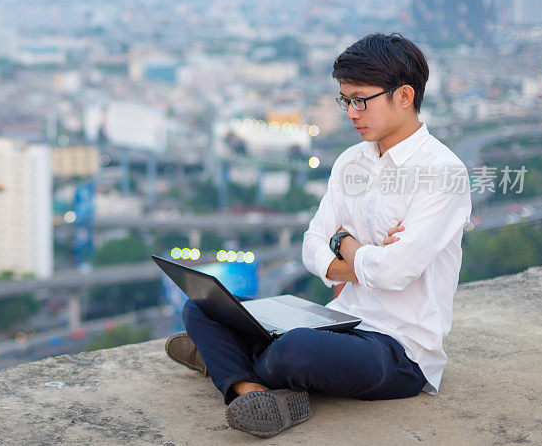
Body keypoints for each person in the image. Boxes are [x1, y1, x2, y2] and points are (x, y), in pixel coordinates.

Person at [165, 33, 472, 438]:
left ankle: (227, 361)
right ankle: (249, 386)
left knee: (295, 349)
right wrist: (365, 255)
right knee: (202, 304)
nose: (350, 112)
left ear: (404, 96)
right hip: (339, 323)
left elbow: (395, 273)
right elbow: (312, 246)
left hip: (398, 350)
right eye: (345, 100)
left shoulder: (443, 174)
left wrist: (344, 243)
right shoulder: (351, 162)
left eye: (360, 99)